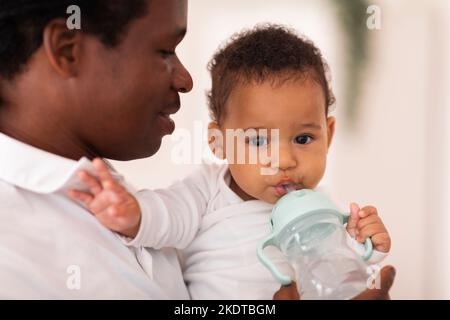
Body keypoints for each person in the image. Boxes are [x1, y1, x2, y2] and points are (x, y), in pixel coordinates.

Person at [69, 26, 392, 299]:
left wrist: (367, 243)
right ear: (220, 142)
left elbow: (336, 267)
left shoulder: (319, 206)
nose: (284, 160)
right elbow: (168, 216)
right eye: (258, 140)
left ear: (329, 134)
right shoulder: (208, 191)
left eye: (303, 139)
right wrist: (133, 214)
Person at [0, 0, 193, 298]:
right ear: (67, 50)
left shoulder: (125, 202)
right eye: (166, 51)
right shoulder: (10, 254)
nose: (185, 80)